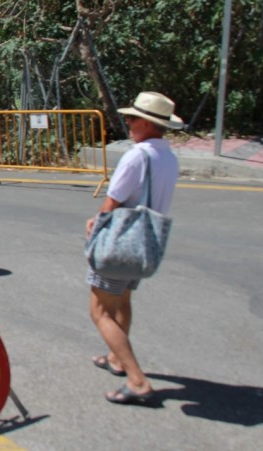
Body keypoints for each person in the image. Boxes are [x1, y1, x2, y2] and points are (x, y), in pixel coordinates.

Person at [85, 91, 183, 404]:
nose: (127, 122)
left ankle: (136, 379)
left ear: (148, 123)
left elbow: (113, 201)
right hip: (144, 243)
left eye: (132, 118)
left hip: (121, 242)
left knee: (100, 311)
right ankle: (116, 359)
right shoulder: (168, 156)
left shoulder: (137, 155)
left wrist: (94, 225)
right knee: (122, 301)